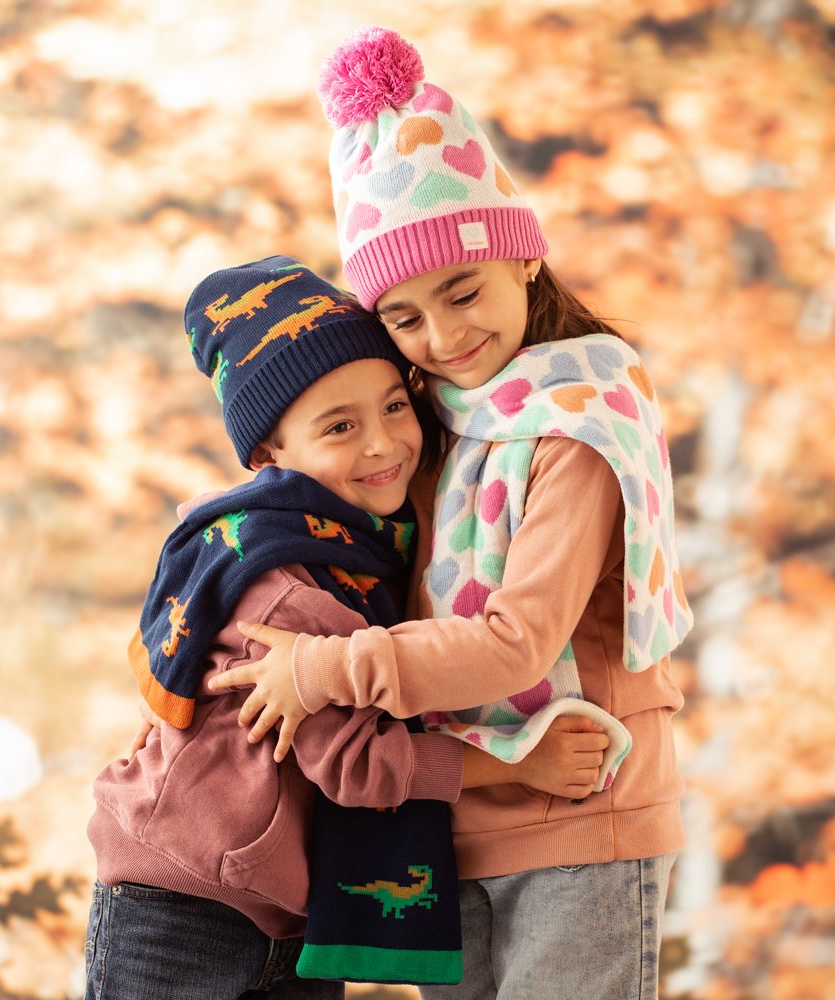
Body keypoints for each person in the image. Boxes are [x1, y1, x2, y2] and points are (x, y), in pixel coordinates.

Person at [208, 28, 694, 1000]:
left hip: (579, 816)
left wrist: (322, 672)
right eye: (404, 317)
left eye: (462, 290)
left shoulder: (576, 426)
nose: (444, 336)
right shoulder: (425, 425)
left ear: (520, 261)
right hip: (457, 818)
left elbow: (516, 644)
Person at [84, 256, 611, 1000]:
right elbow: (359, 767)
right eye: (340, 426)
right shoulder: (288, 587)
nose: (383, 444)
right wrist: (520, 765)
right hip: (182, 904)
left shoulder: (363, 551)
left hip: (285, 911)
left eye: (395, 406)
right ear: (272, 454)